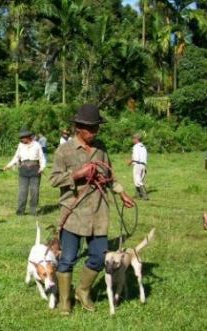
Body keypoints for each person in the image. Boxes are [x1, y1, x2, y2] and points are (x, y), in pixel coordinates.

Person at [50, 104, 135, 315]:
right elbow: (53, 179)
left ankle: (83, 290)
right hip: (73, 213)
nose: (95, 133)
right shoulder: (64, 150)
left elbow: (109, 176)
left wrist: (121, 192)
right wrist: (77, 174)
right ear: (78, 127)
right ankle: (64, 301)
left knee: (98, 256)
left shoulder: (101, 149)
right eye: (91, 129)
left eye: (97, 128)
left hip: (99, 212)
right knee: (68, 258)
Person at [4, 128, 46, 216]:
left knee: (34, 192)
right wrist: (8, 166)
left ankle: (33, 211)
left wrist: (41, 168)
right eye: (21, 138)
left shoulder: (37, 145)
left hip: (35, 170)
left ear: (28, 137)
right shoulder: (20, 145)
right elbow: (16, 157)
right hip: (23, 170)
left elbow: (42, 158)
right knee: (22, 192)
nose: (21, 139)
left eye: (23, 137)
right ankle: (20, 212)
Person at [127, 133, 149, 200]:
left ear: (136, 139)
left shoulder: (136, 146)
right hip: (143, 165)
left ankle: (145, 196)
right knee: (139, 180)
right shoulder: (143, 147)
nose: (132, 140)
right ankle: (137, 195)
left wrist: (130, 162)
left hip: (138, 165)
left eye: (133, 138)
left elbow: (136, 158)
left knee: (138, 181)